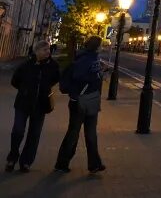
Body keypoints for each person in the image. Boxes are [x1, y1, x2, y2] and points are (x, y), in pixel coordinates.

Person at [6, 40, 60, 172]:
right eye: (44, 50)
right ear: (37, 51)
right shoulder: (26, 65)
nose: (48, 52)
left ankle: (26, 162)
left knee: (34, 135)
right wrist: (25, 90)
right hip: (23, 104)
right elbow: (15, 81)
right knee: (18, 131)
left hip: (41, 105)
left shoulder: (53, 65)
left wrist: (45, 90)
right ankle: (12, 158)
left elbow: (56, 79)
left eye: (48, 50)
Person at [54, 36, 105, 174]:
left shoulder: (88, 58)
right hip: (81, 101)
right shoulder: (87, 59)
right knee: (75, 133)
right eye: (101, 45)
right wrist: (95, 75)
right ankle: (62, 162)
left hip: (88, 100)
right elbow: (79, 77)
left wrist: (99, 73)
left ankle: (94, 163)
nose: (103, 47)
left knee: (89, 133)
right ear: (96, 46)